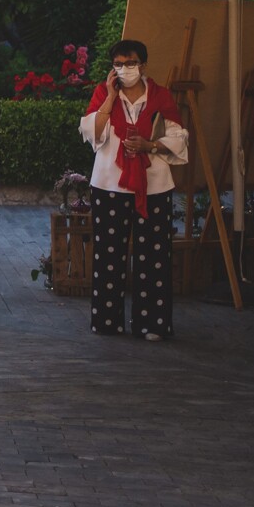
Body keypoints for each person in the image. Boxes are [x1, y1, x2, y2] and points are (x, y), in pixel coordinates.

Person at [81, 39, 189, 340]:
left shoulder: (160, 96)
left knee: (154, 255)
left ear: (143, 65)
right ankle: (106, 321)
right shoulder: (104, 93)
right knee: (108, 254)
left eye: (130, 63)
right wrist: (110, 98)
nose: (124, 69)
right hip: (109, 182)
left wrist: (150, 145)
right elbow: (93, 132)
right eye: (118, 63)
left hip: (153, 183)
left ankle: (151, 324)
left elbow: (179, 138)